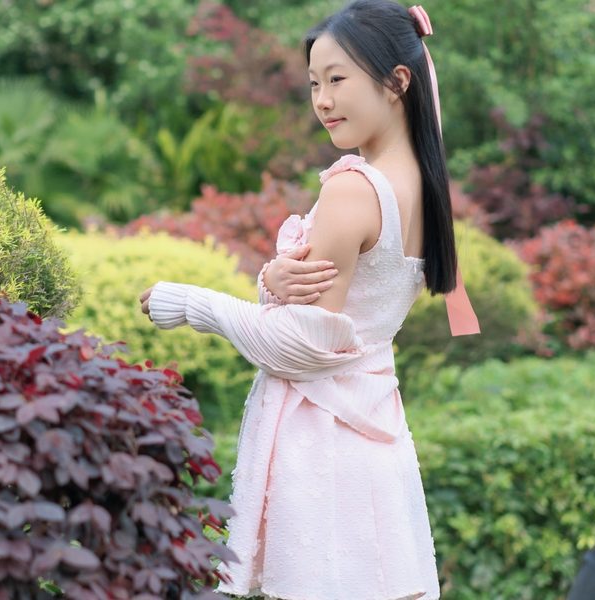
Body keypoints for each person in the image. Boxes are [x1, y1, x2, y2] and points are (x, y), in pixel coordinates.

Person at [139, 1, 480, 598]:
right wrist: (272, 283)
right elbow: (341, 316)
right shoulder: (423, 185)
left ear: (397, 82)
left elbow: (302, 346)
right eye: (314, 84)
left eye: (338, 79)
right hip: (376, 439)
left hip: (320, 445)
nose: (322, 100)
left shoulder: (354, 190)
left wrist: (190, 303)